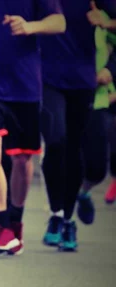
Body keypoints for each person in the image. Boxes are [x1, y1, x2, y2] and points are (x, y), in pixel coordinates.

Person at [0, 0, 65, 257]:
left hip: (24, 83)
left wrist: (31, 26)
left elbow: (59, 22)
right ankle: (1, 227)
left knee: (22, 159)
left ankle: (15, 222)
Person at [39, 1, 102, 252]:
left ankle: (68, 219)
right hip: (46, 77)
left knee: (74, 147)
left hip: (82, 80)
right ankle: (55, 214)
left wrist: (107, 22)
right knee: (56, 140)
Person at [78, 4, 116, 224]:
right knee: (62, 151)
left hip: (97, 98)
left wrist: (109, 69)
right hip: (61, 92)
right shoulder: (53, 9)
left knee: (96, 168)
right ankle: (61, 216)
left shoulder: (101, 12)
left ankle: (83, 192)